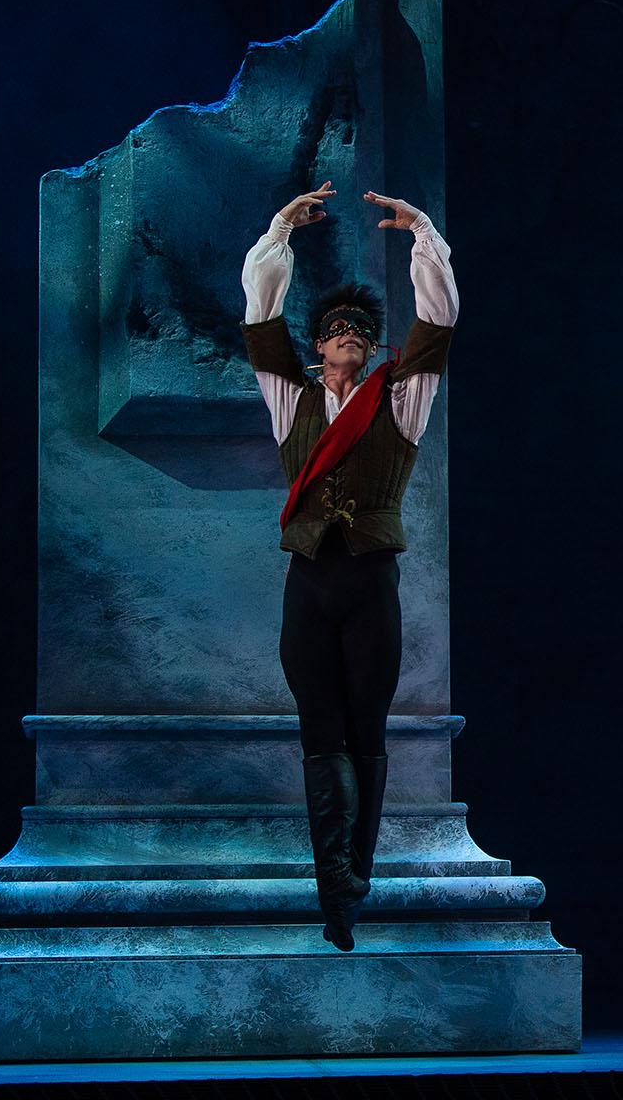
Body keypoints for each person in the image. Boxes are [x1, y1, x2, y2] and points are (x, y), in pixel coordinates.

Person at [238, 180, 458, 951]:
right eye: (337, 329)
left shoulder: (399, 401)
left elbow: (438, 323)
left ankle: (350, 885)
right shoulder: (290, 400)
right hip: (309, 584)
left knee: (366, 731)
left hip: (370, 584)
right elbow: (260, 316)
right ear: (319, 347)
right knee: (319, 733)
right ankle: (336, 889)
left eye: (363, 329)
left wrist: (423, 233)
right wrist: (280, 228)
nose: (351, 336)